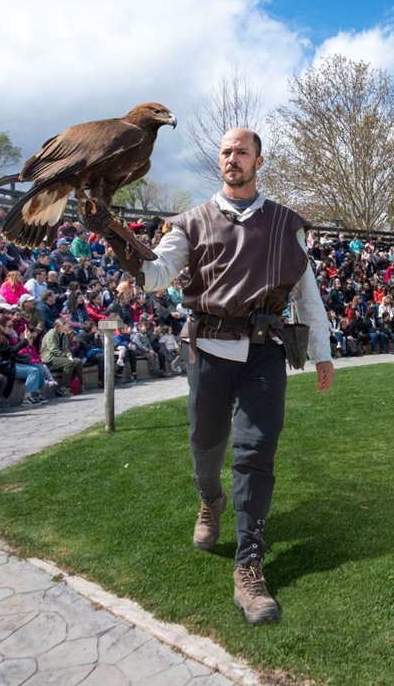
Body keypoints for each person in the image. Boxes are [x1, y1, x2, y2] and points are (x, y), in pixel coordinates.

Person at [132, 127, 333, 625]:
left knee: (255, 451)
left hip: (264, 353)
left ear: (259, 161)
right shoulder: (191, 222)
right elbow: (156, 276)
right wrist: (123, 246)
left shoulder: (286, 224)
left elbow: (307, 295)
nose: (232, 158)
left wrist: (322, 353)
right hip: (207, 351)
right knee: (205, 444)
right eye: (226, 152)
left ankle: (248, 565)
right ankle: (210, 499)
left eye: (242, 151)